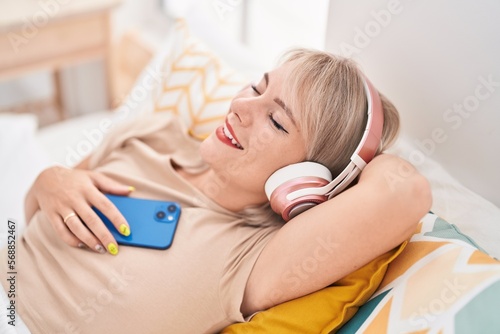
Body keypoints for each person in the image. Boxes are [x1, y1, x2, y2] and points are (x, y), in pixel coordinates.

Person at [1, 49, 431, 333]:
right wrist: (49, 179)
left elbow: (405, 192)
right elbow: (28, 222)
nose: (241, 108)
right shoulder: (150, 135)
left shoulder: (257, 256)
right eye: (257, 88)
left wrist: (353, 162)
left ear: (307, 177)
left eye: (277, 121)